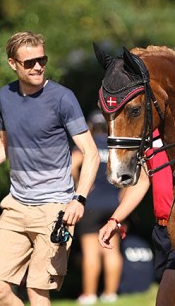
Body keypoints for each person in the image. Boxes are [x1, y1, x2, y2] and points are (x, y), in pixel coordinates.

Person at [0, 31, 100, 306]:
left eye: (42, 59)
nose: (38, 67)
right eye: (29, 62)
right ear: (13, 64)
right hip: (16, 206)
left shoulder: (62, 98)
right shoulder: (4, 97)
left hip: (54, 209)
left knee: (36, 291)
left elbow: (91, 154)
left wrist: (78, 199)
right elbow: (3, 146)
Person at [98, 130, 175, 306]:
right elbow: (143, 181)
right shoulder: (150, 135)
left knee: (171, 295)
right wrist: (115, 220)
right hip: (162, 230)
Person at [72, 110, 123, 305]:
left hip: (91, 203)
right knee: (112, 249)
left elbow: (71, 165)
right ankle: (110, 294)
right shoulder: (116, 146)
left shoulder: (88, 146)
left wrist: (80, 186)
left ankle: (90, 295)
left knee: (90, 250)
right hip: (114, 204)